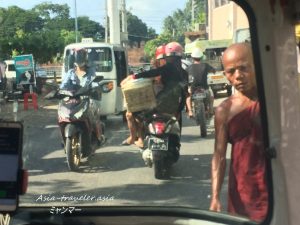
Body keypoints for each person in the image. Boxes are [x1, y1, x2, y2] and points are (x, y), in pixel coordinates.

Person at [209, 43, 268, 222]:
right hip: (243, 192)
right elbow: (219, 156)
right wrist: (215, 196)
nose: (238, 76)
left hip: (277, 185)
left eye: (244, 68)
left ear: (256, 65)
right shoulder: (224, 110)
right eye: (231, 71)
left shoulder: (277, 97)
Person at [128, 42, 188, 130]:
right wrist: (179, 110)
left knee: (140, 115)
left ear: (167, 57)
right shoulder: (184, 73)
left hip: (163, 102)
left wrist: (135, 76)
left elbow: (153, 73)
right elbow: (184, 94)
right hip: (175, 106)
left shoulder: (168, 67)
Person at [121, 45, 166, 148]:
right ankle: (134, 137)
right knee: (130, 115)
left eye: (164, 59)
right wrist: (131, 79)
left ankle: (139, 139)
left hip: (161, 102)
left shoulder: (169, 70)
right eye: (161, 59)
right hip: (149, 100)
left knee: (138, 116)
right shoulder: (155, 70)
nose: (162, 62)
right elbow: (146, 76)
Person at [60, 48, 105, 145]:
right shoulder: (71, 72)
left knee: (93, 117)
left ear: (85, 59)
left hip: (87, 97)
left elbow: (91, 82)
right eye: (77, 58)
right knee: (63, 113)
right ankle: (64, 140)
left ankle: (98, 137)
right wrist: (61, 91)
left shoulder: (90, 71)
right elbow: (63, 85)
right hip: (74, 98)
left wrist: (92, 87)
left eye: (81, 57)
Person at [186, 48, 215, 118]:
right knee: (211, 96)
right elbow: (213, 70)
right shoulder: (205, 65)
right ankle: (211, 110)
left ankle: (190, 111)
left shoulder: (189, 67)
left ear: (192, 58)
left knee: (188, 97)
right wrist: (212, 71)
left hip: (193, 88)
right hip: (204, 87)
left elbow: (184, 76)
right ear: (201, 57)